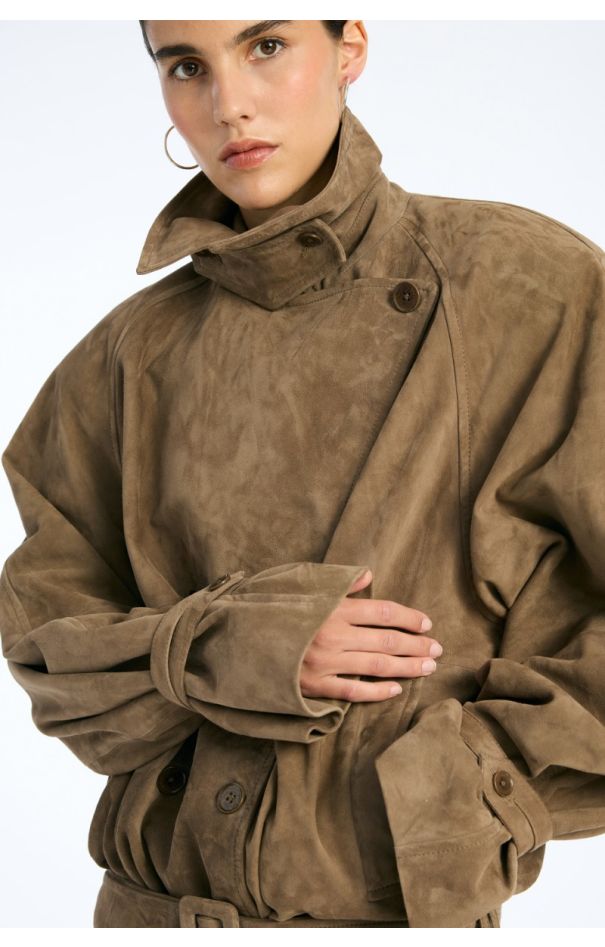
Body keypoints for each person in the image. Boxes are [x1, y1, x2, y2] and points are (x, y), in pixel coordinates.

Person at [1, 18, 604, 929]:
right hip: (146, 910)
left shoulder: (524, 286)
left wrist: (468, 786)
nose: (228, 104)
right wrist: (234, 646)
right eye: (186, 65)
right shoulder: (127, 353)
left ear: (349, 47)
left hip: (389, 917)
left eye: (266, 47)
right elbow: (52, 652)